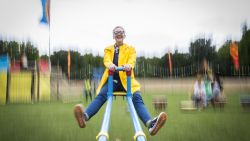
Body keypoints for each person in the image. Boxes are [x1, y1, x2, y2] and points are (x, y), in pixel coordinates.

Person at [74, 26, 167, 136]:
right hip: (112, 80)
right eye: (116, 33)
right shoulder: (108, 49)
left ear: (124, 35)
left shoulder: (130, 49)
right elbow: (106, 60)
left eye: (121, 32)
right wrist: (111, 65)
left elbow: (132, 60)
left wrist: (128, 65)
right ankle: (84, 117)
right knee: (102, 95)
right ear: (113, 36)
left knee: (137, 98)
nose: (119, 34)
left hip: (127, 81)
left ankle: (151, 124)